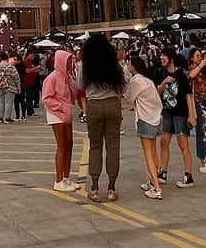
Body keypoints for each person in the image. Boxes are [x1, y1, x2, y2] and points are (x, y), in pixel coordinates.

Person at [80, 34, 123, 202]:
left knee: (95, 146)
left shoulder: (86, 66)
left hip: (94, 105)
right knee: (113, 146)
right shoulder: (114, 65)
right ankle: (111, 188)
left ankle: (95, 187)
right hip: (113, 104)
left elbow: (79, 85)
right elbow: (124, 86)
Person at [125, 52, 163, 199]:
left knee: (148, 154)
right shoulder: (148, 80)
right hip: (155, 117)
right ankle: (153, 181)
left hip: (144, 119)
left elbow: (130, 98)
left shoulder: (136, 81)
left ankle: (157, 188)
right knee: (153, 152)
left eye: (129, 64)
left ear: (133, 67)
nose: (127, 66)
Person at [40, 49, 79, 192]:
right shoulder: (52, 78)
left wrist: (72, 80)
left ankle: (66, 177)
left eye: (71, 60)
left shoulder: (68, 77)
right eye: (68, 61)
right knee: (62, 145)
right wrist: (61, 106)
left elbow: (74, 94)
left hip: (66, 113)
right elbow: (46, 98)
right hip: (56, 114)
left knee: (70, 144)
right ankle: (58, 180)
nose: (70, 63)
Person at [157, 47, 196, 188]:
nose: (161, 58)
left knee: (183, 144)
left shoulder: (181, 75)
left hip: (181, 113)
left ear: (171, 58)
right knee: (164, 142)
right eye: (160, 55)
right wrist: (164, 83)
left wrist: (192, 115)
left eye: (164, 55)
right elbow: (158, 92)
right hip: (167, 112)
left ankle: (188, 175)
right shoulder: (161, 73)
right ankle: (162, 172)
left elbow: (188, 95)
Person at [0, 54, 20, 124]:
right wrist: (18, 87)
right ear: (7, 58)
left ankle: (0, 117)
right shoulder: (11, 67)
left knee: (1, 102)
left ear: (0, 58)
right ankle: (7, 118)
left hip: (0, 86)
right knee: (8, 102)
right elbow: (16, 77)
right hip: (10, 86)